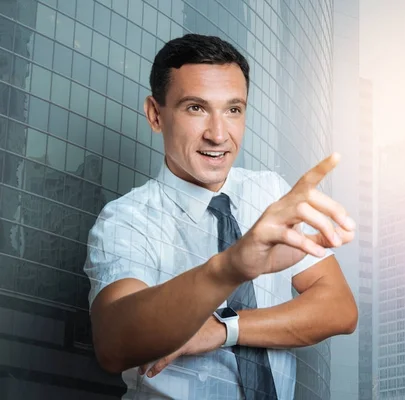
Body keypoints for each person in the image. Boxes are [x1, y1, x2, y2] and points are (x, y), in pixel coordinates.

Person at [83, 34, 357, 400]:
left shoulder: (270, 194)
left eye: (233, 110)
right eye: (195, 108)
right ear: (155, 114)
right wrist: (230, 268)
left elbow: (339, 309)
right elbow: (113, 342)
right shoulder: (127, 219)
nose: (218, 134)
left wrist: (225, 328)